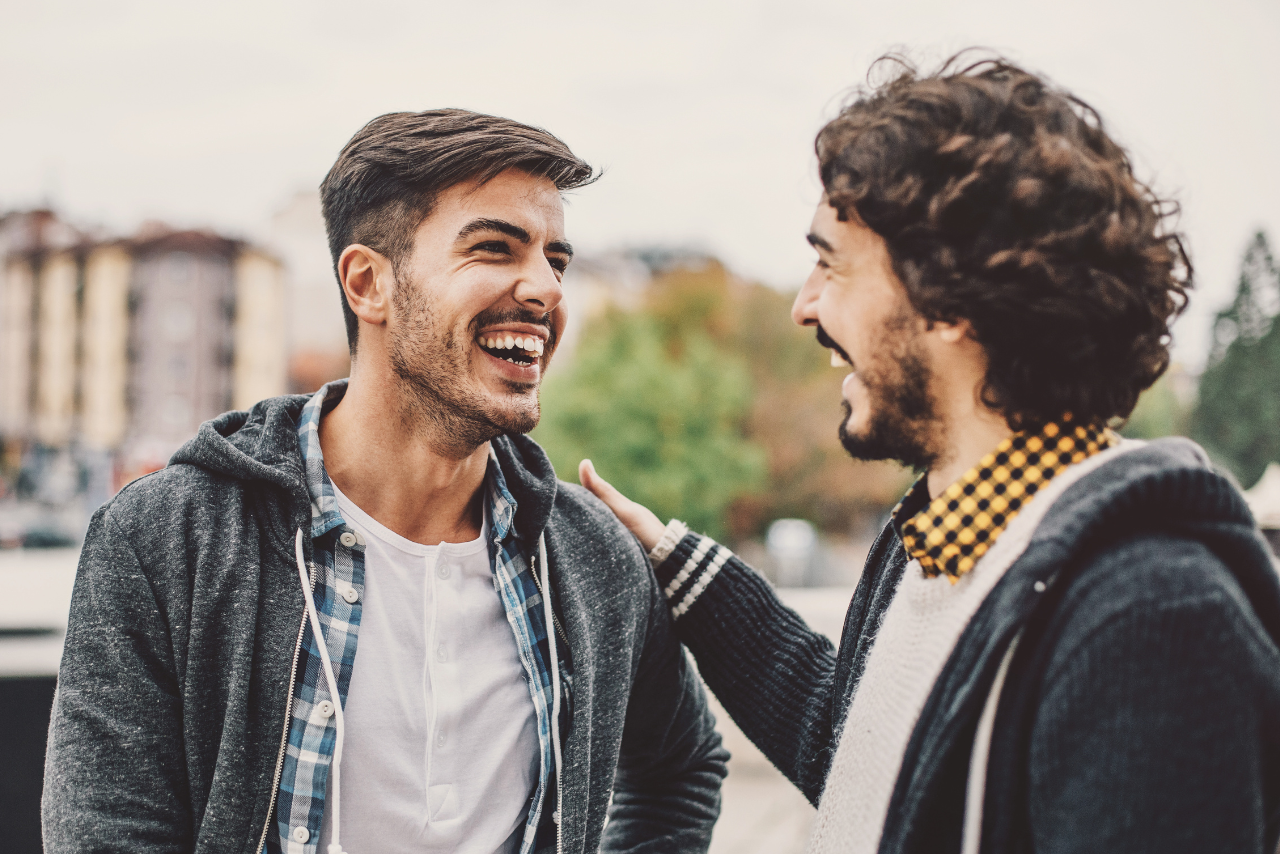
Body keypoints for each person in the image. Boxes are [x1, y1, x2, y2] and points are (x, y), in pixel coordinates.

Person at [583, 56, 1280, 853]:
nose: (803, 305)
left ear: (947, 297)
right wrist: (677, 564)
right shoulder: (940, 536)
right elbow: (869, 762)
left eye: (830, 262)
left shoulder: (1151, 621)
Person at [43, 109, 727, 854]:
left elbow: (680, 767)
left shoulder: (590, 557)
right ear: (369, 284)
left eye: (556, 260)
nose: (545, 289)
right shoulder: (168, 540)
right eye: (496, 248)